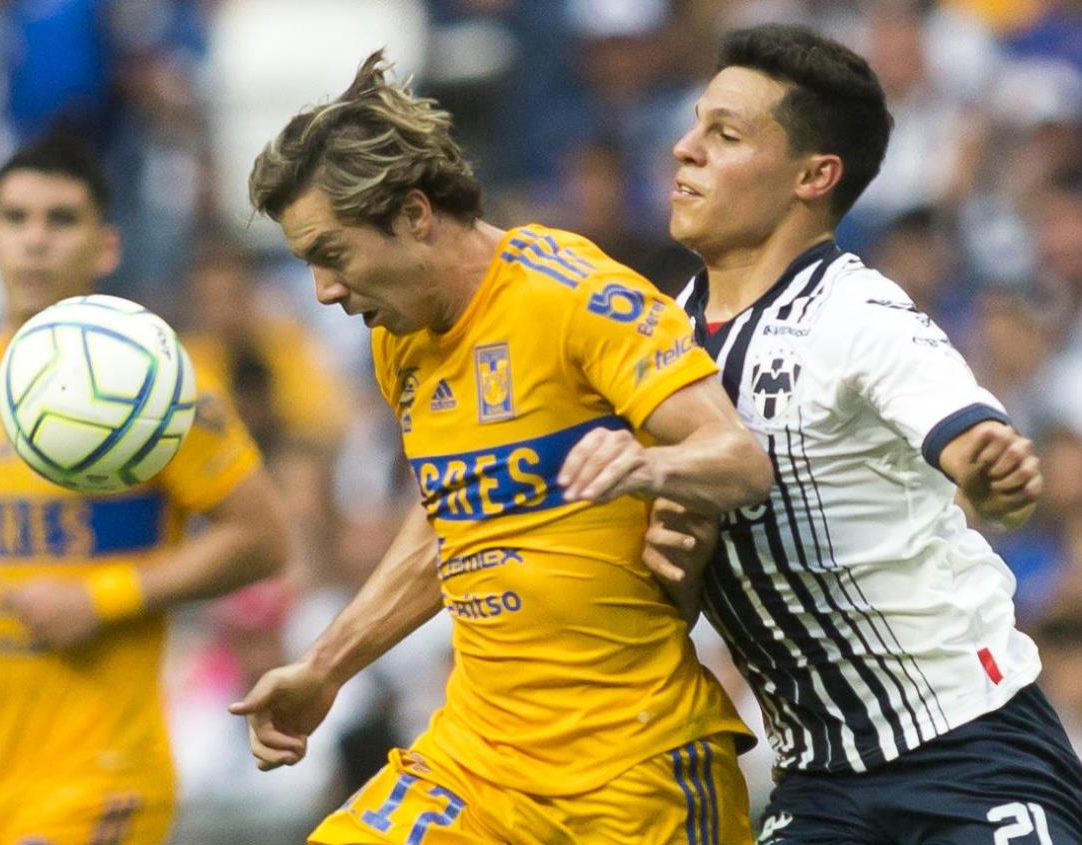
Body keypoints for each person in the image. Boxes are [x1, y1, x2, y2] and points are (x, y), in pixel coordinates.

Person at [230, 51, 774, 844]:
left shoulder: (574, 295)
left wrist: (649, 464)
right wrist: (327, 665)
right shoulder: (402, 338)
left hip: (633, 767)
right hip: (479, 759)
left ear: (414, 214)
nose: (323, 291)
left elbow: (738, 459)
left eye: (332, 254)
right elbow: (453, 519)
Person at [644, 22, 1082, 843]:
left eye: (723, 134)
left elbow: (962, 428)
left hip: (968, 746)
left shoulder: (857, 312)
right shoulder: (658, 339)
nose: (683, 149)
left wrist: (986, 468)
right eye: (695, 123)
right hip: (818, 783)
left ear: (814, 175)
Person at [0, 136, 288, 844]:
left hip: (103, 775)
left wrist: (100, 598)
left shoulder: (157, 382)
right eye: (16, 218)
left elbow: (264, 539)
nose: (35, 240)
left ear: (106, 246)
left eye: (60, 220)